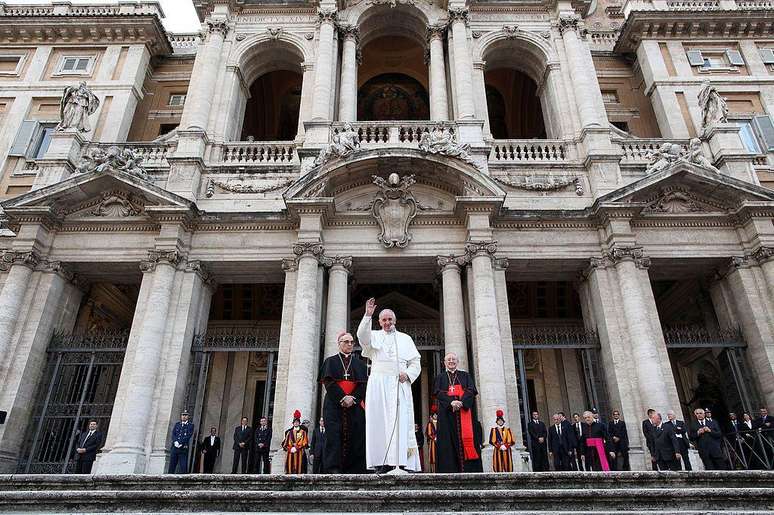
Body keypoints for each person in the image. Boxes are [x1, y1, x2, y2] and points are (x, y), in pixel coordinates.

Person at [357, 298, 421, 473]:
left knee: (400, 421)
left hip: (398, 383)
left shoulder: (405, 339)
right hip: (378, 384)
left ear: (395, 321)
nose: (387, 323)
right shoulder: (375, 335)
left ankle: (401, 462)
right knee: (378, 422)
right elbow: (362, 337)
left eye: (389, 320)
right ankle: (382, 462)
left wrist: (407, 374)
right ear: (379, 322)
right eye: (383, 320)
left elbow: (415, 361)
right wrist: (367, 315)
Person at [319, 330, 367, 474]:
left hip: (355, 405)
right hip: (334, 404)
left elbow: (364, 384)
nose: (350, 344)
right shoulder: (330, 361)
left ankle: (355, 468)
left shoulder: (359, 363)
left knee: (356, 435)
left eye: (352, 342)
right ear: (339, 344)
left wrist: (353, 398)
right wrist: (342, 397)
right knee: (333, 435)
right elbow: (328, 383)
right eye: (346, 342)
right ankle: (333, 467)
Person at [433, 352, 482, 472]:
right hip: (447, 416)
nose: (451, 361)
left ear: (457, 362)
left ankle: (470, 470)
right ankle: (449, 470)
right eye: (448, 360)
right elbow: (437, 392)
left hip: (464, 414)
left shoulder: (465, 376)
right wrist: (451, 402)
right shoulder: (440, 377)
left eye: (453, 359)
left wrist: (461, 402)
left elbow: (471, 390)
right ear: (444, 363)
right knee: (447, 443)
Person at [282, 410, 309, 474]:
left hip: (299, 451)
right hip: (291, 452)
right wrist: (290, 448)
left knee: (301, 466)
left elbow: (305, 442)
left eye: (297, 422)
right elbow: (285, 443)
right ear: (293, 423)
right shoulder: (289, 432)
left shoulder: (303, 431)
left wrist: (297, 447)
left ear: (299, 423)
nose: (296, 423)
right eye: (295, 422)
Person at [426, 407, 438, 473]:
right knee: (432, 457)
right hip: (432, 442)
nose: (435, 416)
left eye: (436, 415)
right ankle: (433, 471)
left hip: (439, 441)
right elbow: (429, 433)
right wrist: (434, 438)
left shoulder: (440, 423)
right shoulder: (430, 424)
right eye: (434, 415)